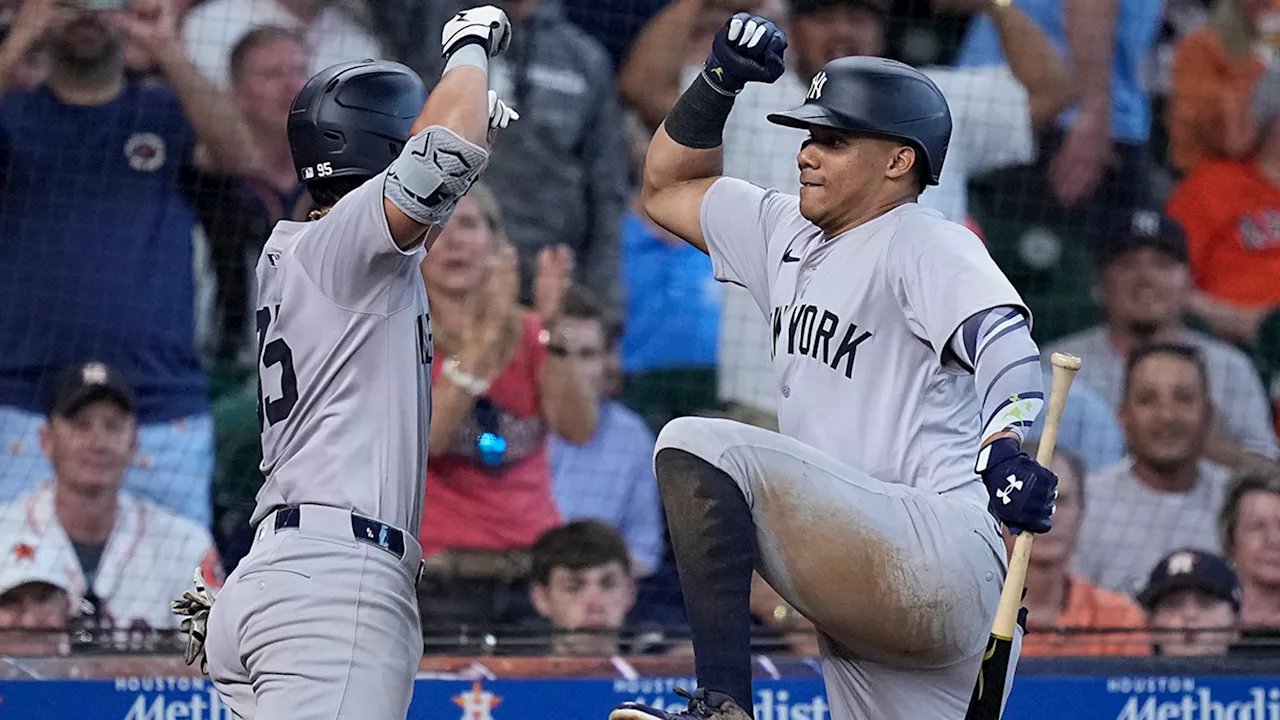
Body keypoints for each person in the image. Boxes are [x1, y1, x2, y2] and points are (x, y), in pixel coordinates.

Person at [610, 14, 1058, 720]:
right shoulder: (781, 230)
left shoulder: (922, 239)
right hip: (867, 581)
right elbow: (666, 187)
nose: (806, 154)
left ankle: (722, 702)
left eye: (834, 139)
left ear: (898, 161)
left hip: (937, 546)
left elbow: (1002, 340)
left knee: (696, 444)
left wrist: (1005, 445)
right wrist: (718, 83)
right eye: (810, 135)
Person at [176, 8, 519, 720]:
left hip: (280, 580)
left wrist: (464, 105)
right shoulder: (347, 248)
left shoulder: (308, 249)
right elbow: (446, 151)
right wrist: (471, 45)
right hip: (333, 590)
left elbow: (441, 155)